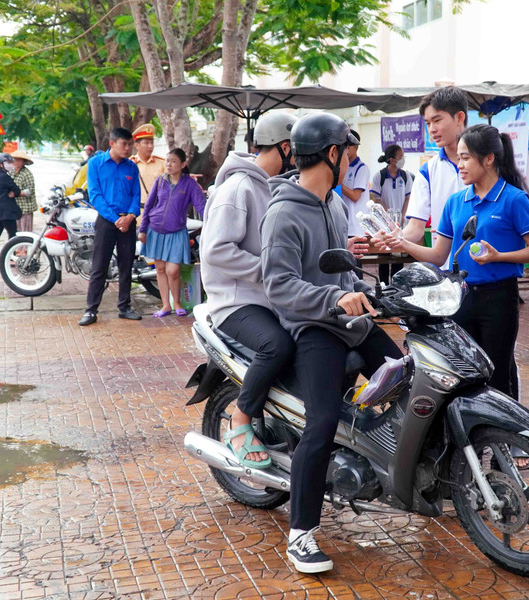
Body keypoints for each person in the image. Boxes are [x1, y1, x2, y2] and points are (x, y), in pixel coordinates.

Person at [260, 112, 403, 574]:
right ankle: (301, 533)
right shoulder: (283, 213)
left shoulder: (335, 203)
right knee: (321, 422)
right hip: (314, 328)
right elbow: (278, 285)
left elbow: (339, 268)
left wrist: (365, 284)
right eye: (349, 154)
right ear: (332, 154)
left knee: (410, 378)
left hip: (351, 322)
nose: (353, 163)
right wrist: (335, 298)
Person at [381, 124, 529, 398]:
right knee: (463, 374)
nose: (460, 165)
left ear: (489, 158)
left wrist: (499, 257)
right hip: (460, 297)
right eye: (459, 158)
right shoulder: (456, 202)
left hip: (499, 299)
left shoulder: (514, 199)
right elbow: (438, 255)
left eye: (466, 158)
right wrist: (403, 244)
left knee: (498, 375)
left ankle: (504, 425)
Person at [201, 111, 298, 469]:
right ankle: (241, 419)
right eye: (298, 149)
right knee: (277, 345)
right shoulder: (237, 188)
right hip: (235, 302)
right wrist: (268, 271)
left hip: (269, 300)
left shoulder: (276, 186)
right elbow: (216, 250)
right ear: (284, 147)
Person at [78, 127, 142, 326]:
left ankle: (125, 307)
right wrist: (116, 219)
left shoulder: (132, 167)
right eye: (124, 144)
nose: (128, 148)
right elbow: (95, 196)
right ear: (112, 143)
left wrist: (130, 216)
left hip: (128, 222)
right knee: (99, 266)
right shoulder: (95, 164)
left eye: (130, 144)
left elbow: (136, 195)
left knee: (126, 266)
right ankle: (91, 310)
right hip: (107, 222)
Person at [139, 148, 207, 318]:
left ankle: (177, 303)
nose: (169, 164)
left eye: (173, 161)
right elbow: (149, 205)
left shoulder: (189, 184)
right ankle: (165, 305)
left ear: (183, 164)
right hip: (155, 230)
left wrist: (212, 221)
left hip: (177, 233)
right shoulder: (160, 181)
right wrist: (143, 229)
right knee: (160, 270)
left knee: (173, 271)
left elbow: (201, 206)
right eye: (167, 161)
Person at [402, 86, 467, 254]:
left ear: (459, 118)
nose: (431, 129)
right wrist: (394, 238)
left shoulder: (487, 164)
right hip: (444, 265)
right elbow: (415, 228)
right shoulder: (428, 171)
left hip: (485, 264)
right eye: (428, 123)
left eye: (437, 120)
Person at [371, 144, 413, 283]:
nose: (403, 159)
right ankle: (383, 285)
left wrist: (402, 216)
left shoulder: (405, 176)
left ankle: (396, 284)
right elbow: (375, 198)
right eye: (401, 156)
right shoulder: (380, 176)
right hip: (383, 222)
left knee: (398, 254)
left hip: (400, 222)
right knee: (383, 253)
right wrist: (387, 214)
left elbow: (408, 198)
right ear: (392, 159)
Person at [339, 129, 369, 238]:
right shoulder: (343, 167)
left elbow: (355, 196)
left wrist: (338, 183)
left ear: (355, 147)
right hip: (345, 225)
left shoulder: (361, 168)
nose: (345, 150)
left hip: (357, 228)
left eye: (348, 147)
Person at [130, 124, 166, 208]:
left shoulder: (162, 163)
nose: (150, 146)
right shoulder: (129, 164)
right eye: (146, 143)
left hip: (157, 211)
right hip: (137, 212)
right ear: (137, 145)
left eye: (152, 143)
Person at [10, 150, 37, 232]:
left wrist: (16, 193)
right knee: (16, 232)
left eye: (19, 160)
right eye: (15, 159)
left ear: (23, 161)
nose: (17, 162)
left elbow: (29, 191)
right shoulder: (12, 172)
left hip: (25, 209)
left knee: (25, 232)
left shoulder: (27, 174)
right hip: (15, 207)